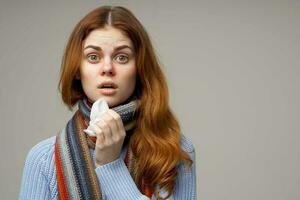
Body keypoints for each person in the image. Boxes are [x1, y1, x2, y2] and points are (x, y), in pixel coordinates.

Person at [19, 6, 196, 200]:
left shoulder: (175, 151)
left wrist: (110, 166)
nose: (107, 68)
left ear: (139, 68)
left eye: (122, 57)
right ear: (78, 69)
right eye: (93, 57)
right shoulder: (43, 159)